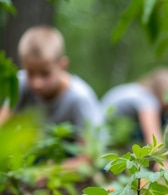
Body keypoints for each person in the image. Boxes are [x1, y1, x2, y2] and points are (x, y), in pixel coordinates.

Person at [0, 25, 103, 169]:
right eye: (30, 72)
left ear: (62, 65)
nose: (37, 83)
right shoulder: (20, 84)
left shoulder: (80, 98)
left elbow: (88, 158)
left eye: (45, 73)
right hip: (36, 153)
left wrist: (46, 173)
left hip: (68, 157)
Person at [101, 67, 168, 147]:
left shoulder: (139, 90)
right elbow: (153, 140)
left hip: (108, 128)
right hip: (104, 137)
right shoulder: (147, 100)